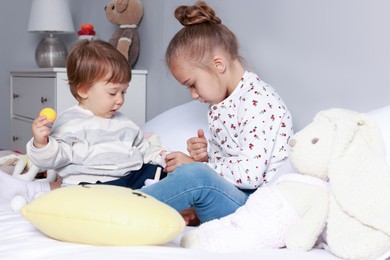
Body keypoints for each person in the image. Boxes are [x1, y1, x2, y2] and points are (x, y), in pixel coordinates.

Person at [137, 0, 294, 224]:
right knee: (176, 173)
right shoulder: (222, 104)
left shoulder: (259, 101)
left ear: (218, 65)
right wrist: (206, 156)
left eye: (192, 84)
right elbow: (229, 165)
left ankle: (126, 207)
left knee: (193, 175)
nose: (193, 94)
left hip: (255, 205)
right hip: (236, 195)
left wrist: (197, 166)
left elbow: (250, 175)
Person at [0, 39, 168, 202]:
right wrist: (41, 143)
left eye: (124, 92)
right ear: (83, 90)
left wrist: (161, 156)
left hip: (127, 179)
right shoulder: (71, 122)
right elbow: (54, 157)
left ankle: (146, 193)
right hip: (89, 184)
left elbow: (142, 147)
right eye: (113, 93)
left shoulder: (124, 123)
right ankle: (38, 193)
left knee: (157, 171)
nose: (120, 100)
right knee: (80, 193)